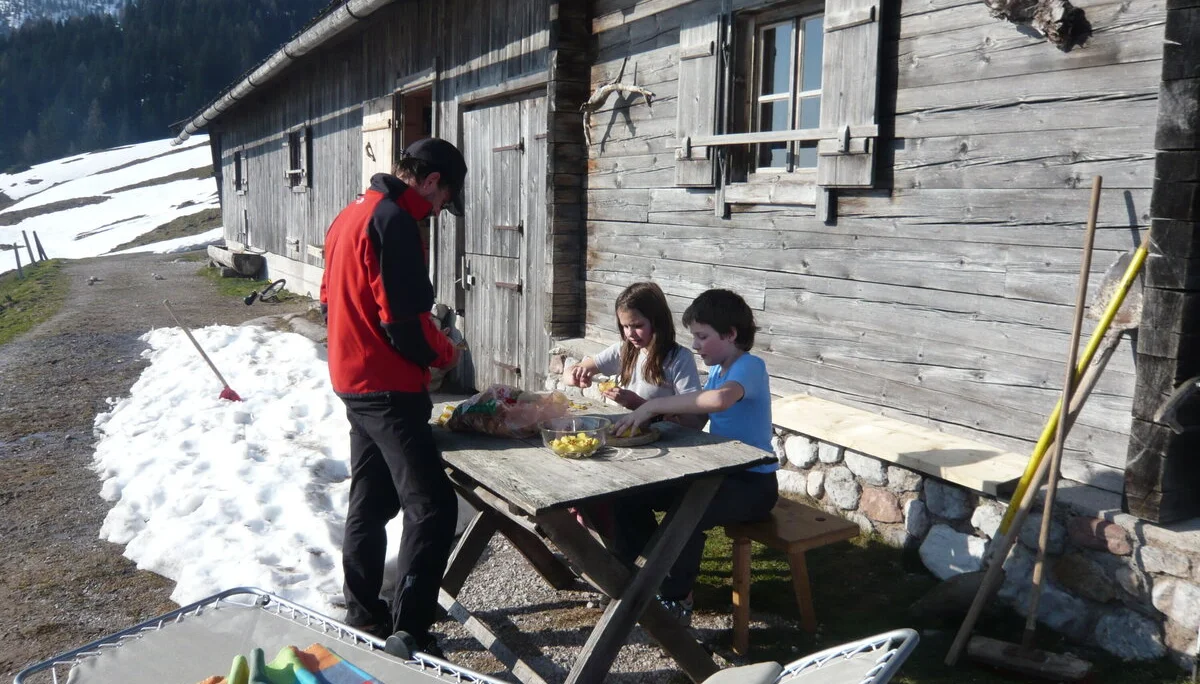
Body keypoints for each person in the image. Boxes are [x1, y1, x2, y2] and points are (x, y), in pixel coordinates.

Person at [319, 137, 467, 656]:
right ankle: (411, 632)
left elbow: (326, 300)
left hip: (351, 378)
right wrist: (443, 353)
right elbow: (404, 321)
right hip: (386, 388)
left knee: (372, 498)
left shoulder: (349, 215)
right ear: (429, 181)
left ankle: (364, 612)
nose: (439, 209)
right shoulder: (395, 222)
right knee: (432, 507)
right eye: (443, 198)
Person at [610, 288, 778, 625]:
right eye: (695, 337)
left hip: (753, 484)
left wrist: (654, 405)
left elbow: (718, 402)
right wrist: (650, 412)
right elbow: (698, 418)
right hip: (722, 472)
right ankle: (640, 573)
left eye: (702, 336)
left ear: (731, 334)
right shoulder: (718, 369)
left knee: (686, 513)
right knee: (627, 497)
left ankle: (677, 599)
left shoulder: (749, 366)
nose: (696, 345)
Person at [565, 281, 702, 426]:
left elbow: (694, 421)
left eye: (638, 326)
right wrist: (575, 376)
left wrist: (638, 404)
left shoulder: (679, 358)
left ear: (657, 321)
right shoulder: (623, 350)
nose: (630, 334)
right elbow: (568, 373)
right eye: (625, 326)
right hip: (628, 434)